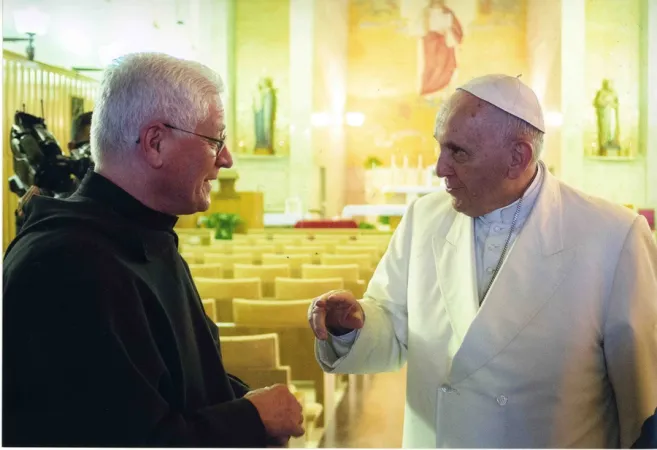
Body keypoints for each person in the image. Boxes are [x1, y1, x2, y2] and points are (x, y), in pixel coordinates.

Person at [309, 74, 657, 447]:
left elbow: (642, 401)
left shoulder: (613, 236)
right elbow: (393, 323)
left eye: (458, 152)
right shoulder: (424, 217)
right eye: (440, 147)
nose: (439, 168)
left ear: (517, 157)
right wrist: (354, 325)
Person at [3, 52, 304, 447]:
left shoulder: (141, 235)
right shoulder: (65, 265)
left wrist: (245, 403)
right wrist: (252, 419)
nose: (226, 160)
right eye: (216, 140)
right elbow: (124, 439)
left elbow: (173, 380)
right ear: (155, 143)